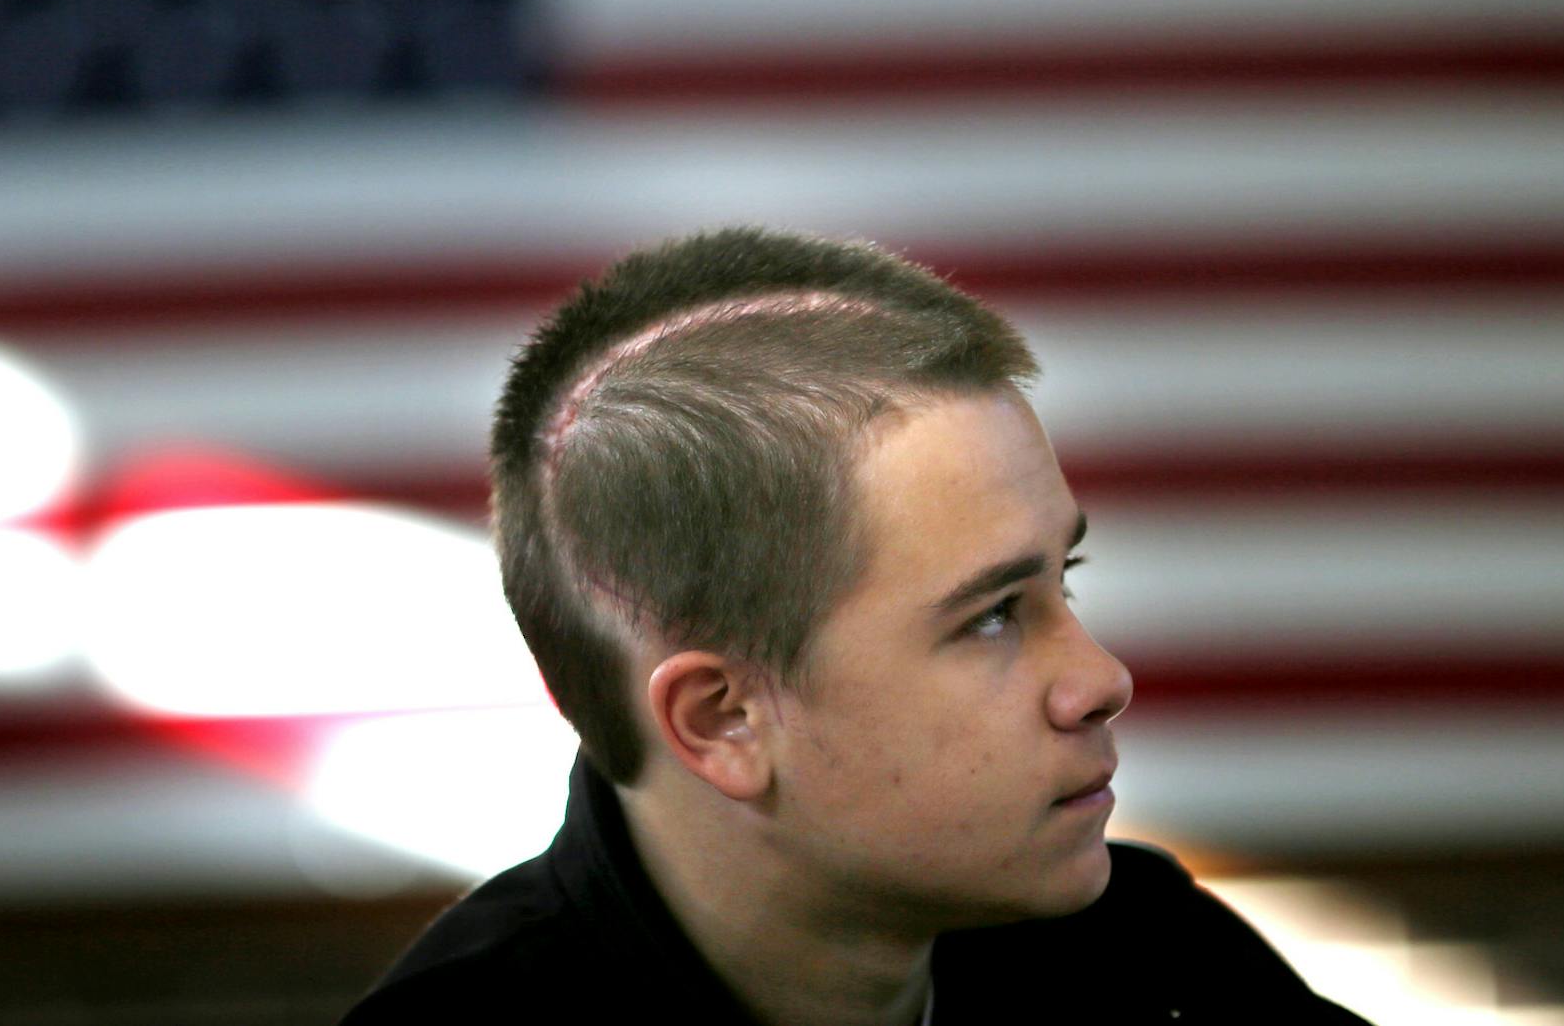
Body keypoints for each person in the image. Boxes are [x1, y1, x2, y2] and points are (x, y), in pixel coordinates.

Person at [343, 227, 1370, 1024]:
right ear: (724, 719)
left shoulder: (1148, 958)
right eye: (995, 617)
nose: (1101, 679)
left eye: (1071, 580)